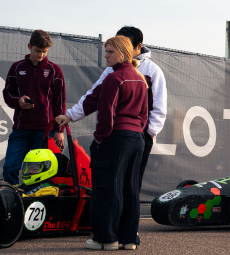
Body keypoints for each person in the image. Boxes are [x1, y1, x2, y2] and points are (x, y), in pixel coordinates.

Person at [56, 36, 148, 251]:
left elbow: (106, 114)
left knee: (107, 188)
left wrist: (100, 138)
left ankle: (106, 239)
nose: (105, 56)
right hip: (137, 139)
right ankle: (128, 239)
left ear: (123, 54)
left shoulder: (114, 79)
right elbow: (144, 114)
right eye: (106, 51)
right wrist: (136, 131)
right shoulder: (140, 79)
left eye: (110, 52)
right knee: (130, 189)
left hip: (116, 138)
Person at [61, 26, 167, 190]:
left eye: (124, 44)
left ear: (138, 46)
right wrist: (70, 115)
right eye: (116, 44)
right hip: (117, 136)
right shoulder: (112, 70)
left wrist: (148, 134)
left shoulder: (153, 71)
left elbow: (158, 108)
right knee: (115, 185)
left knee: (131, 185)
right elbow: (94, 95)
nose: (113, 52)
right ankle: (119, 216)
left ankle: (125, 217)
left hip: (139, 138)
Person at [2, 30, 65, 186]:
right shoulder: (17, 68)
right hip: (20, 129)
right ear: (29, 46)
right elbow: (7, 94)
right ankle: (9, 200)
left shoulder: (54, 70)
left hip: (45, 132)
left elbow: (60, 102)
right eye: (37, 51)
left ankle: (35, 203)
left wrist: (59, 130)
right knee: (10, 167)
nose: (41, 55)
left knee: (39, 173)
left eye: (45, 52)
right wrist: (19, 101)